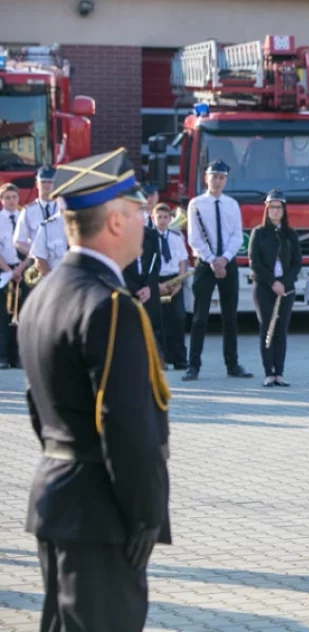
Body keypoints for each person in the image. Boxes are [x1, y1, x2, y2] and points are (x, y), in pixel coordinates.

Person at [17, 147, 172, 631]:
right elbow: (126, 425)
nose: (145, 222)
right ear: (115, 222)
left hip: (58, 500)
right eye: (139, 211)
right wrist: (146, 514)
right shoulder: (110, 306)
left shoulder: (43, 294)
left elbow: (38, 406)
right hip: (102, 513)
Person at [183, 159, 252, 380]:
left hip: (227, 262)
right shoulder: (196, 204)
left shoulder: (232, 204)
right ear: (206, 178)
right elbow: (194, 238)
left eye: (222, 177)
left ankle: (232, 364)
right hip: (205, 264)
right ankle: (193, 365)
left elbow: (237, 235)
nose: (218, 181)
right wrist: (212, 260)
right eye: (214, 177)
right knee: (199, 317)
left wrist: (224, 258)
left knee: (230, 316)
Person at [248, 189, 301, 387]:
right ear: (267, 210)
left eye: (279, 207)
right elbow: (255, 262)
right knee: (267, 328)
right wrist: (272, 282)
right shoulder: (259, 233)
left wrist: (285, 283)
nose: (276, 211)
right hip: (264, 287)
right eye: (272, 207)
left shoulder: (290, 234)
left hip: (286, 288)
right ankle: (268, 373)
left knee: (281, 329)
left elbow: (297, 263)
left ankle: (279, 372)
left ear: (284, 210)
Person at [153, 203, 190, 370]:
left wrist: (179, 281)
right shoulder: (149, 238)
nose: (162, 220)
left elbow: (183, 260)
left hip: (174, 279)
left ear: (170, 219)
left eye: (165, 217)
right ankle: (161, 359)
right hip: (157, 281)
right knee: (159, 321)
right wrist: (156, 285)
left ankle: (179, 359)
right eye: (159, 217)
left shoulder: (176, 237)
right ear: (153, 219)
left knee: (178, 318)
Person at [123, 203, 163, 354]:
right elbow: (120, 265)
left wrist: (148, 286)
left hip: (148, 289)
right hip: (130, 288)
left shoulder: (152, 235)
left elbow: (156, 263)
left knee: (152, 327)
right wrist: (135, 289)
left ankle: (154, 358)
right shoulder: (122, 236)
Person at [0, 183, 23, 368]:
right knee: (3, 315)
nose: (11, 201)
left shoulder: (25, 217)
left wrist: (20, 269)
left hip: (23, 270)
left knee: (22, 313)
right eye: (7, 198)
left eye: (14, 197)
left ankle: (19, 356)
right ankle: (3, 356)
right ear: (1, 200)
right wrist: (9, 270)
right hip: (4, 270)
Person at [30, 202, 69, 277]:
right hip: (57, 279)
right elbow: (40, 259)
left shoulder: (88, 223)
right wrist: (51, 280)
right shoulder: (47, 226)